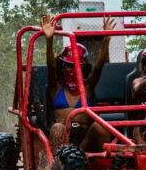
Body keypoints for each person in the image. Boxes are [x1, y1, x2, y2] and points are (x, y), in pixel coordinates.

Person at [39, 14, 115, 152]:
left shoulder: (87, 87)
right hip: (62, 137)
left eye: (77, 66)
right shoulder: (55, 87)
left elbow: (98, 67)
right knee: (57, 128)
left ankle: (107, 168)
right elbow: (51, 67)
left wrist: (106, 40)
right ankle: (57, 168)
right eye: (69, 66)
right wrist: (49, 39)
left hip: (84, 140)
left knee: (100, 126)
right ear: (63, 67)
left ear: (83, 68)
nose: (73, 70)